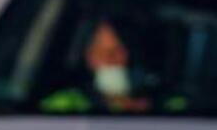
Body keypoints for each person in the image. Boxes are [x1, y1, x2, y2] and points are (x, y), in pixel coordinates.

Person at [42, 17, 177, 113]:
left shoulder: (173, 106)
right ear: (90, 58)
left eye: (128, 50)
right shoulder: (64, 106)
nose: (121, 60)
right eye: (108, 53)